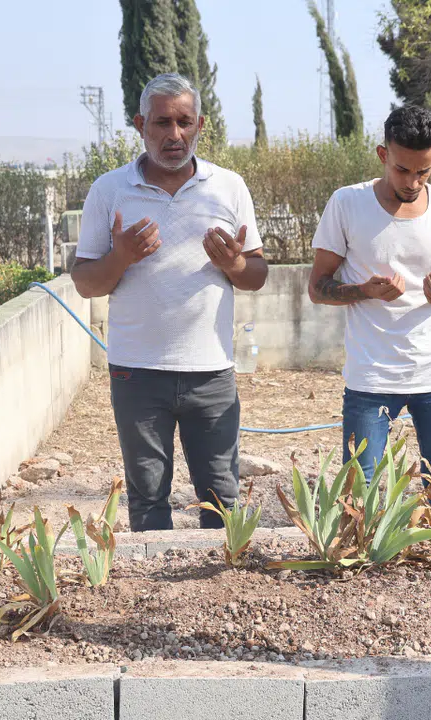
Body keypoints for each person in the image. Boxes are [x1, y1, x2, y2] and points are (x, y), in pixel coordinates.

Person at [71, 73, 268, 532]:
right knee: (147, 499)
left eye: (185, 122)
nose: (174, 135)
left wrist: (235, 263)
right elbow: (85, 283)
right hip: (136, 372)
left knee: (222, 499)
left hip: (211, 371)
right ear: (141, 125)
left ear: (200, 124)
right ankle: (151, 581)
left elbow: (257, 275)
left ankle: (222, 577)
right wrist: (121, 257)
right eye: (162, 123)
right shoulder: (110, 190)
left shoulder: (229, 187)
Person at [307, 105, 431, 493]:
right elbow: (317, 288)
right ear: (383, 154)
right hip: (371, 375)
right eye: (403, 169)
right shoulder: (347, 203)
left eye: (424, 171)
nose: (413, 182)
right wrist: (364, 291)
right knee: (360, 487)